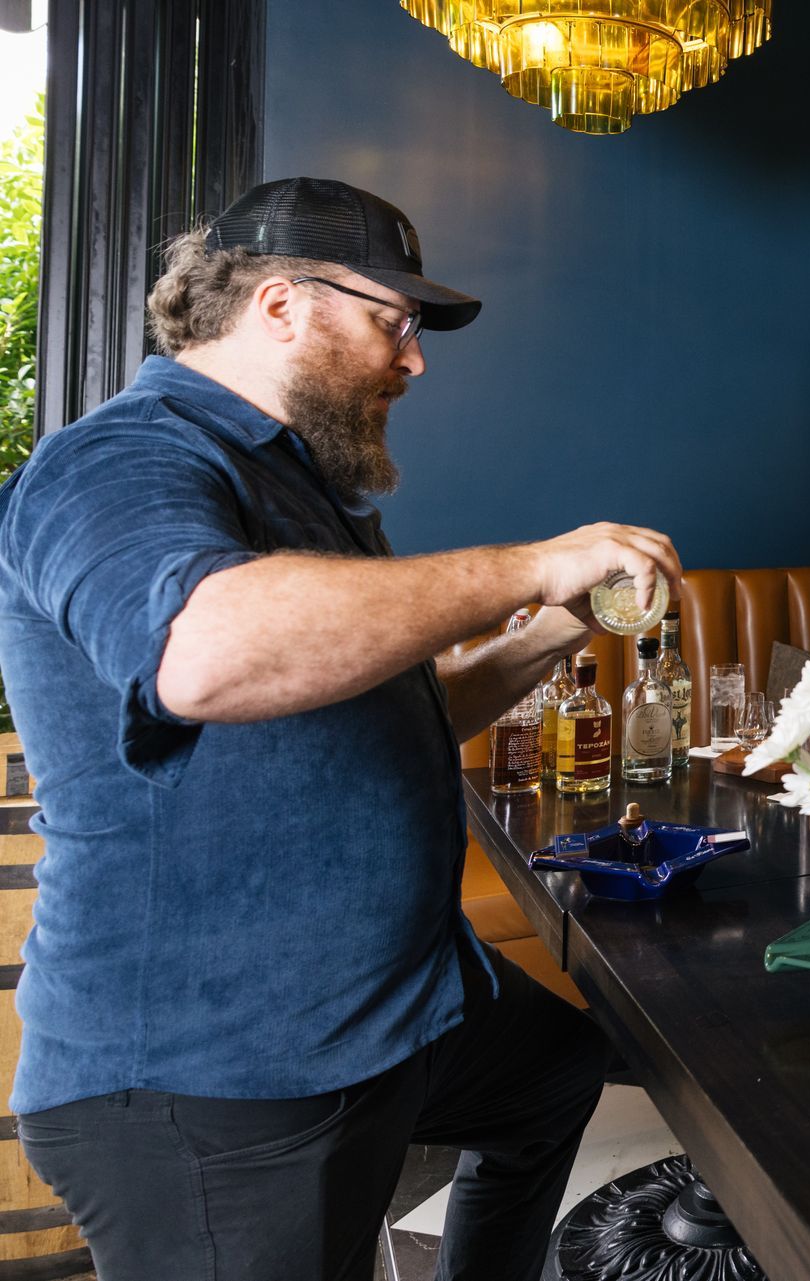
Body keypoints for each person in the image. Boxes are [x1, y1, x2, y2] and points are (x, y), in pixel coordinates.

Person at [0, 177, 683, 1281]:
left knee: (557, 1072)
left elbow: (402, 711)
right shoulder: (117, 460)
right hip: (215, 1073)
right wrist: (532, 564)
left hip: (386, 1008)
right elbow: (204, 651)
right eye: (394, 322)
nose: (413, 361)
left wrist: (561, 627)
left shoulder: (304, 487)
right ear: (280, 304)